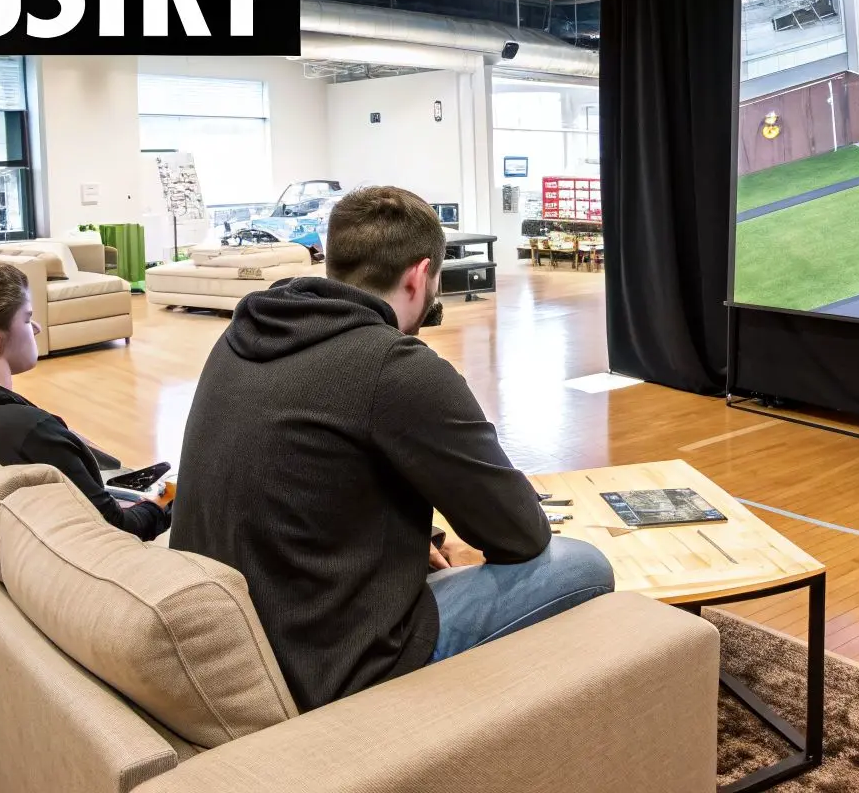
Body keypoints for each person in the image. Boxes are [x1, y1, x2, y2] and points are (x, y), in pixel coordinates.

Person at [169, 185, 614, 713]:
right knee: (582, 565)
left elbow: (314, 476)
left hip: (242, 639)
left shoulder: (245, 334)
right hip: (335, 667)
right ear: (421, 274)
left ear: (332, 260)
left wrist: (419, 538)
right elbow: (520, 534)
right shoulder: (397, 368)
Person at [0, 259, 171, 540]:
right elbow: (119, 529)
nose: (36, 328)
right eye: (25, 318)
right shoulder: (31, 432)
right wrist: (169, 497)